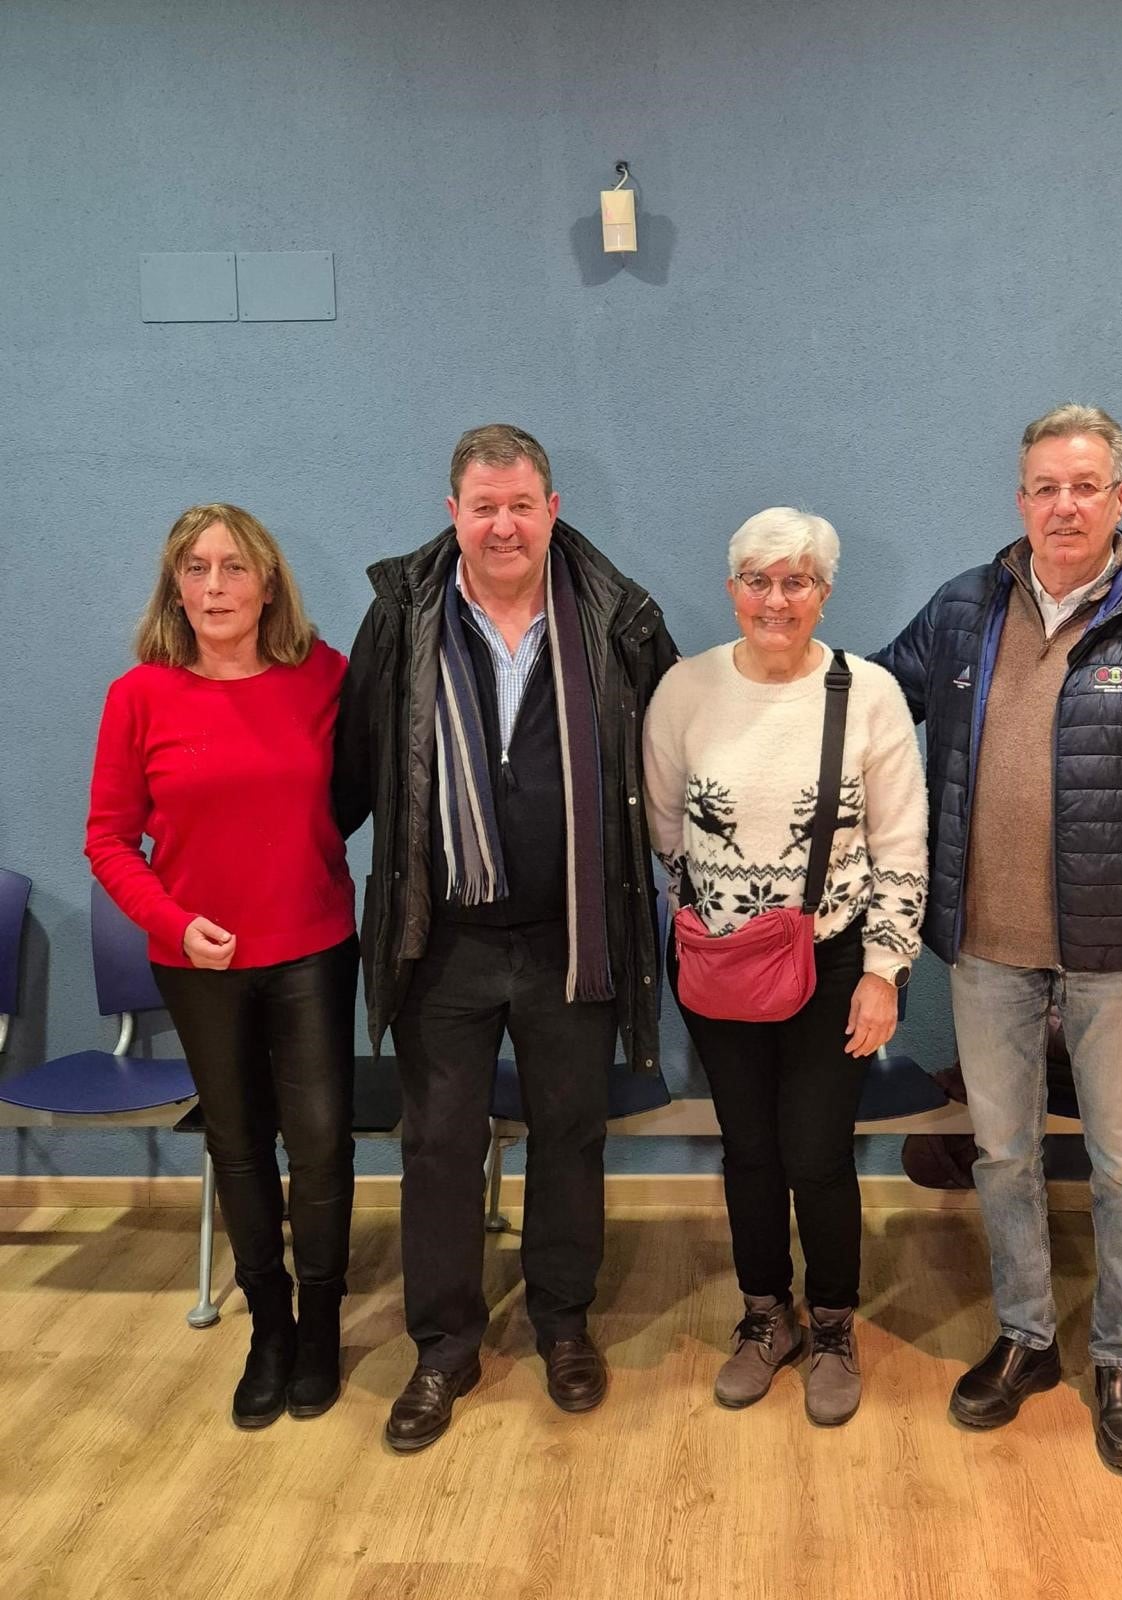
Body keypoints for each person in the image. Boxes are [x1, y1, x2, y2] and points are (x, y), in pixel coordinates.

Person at [874, 405, 1122, 1474]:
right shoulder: (965, 609)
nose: (1065, 505)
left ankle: (1120, 1357)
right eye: (1045, 486)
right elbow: (862, 698)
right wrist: (759, 676)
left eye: (1086, 485)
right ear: (1021, 499)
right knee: (1003, 1153)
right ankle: (1028, 1336)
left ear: (1121, 497)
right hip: (987, 949)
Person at [334, 424, 676, 1452]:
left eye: (521, 504)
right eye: (483, 506)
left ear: (553, 508)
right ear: (453, 514)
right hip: (440, 938)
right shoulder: (401, 615)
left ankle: (563, 1321)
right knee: (439, 1144)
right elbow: (354, 766)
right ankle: (443, 1346)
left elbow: (672, 751)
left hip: (574, 932)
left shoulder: (619, 617)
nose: (503, 524)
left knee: (571, 1133)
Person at [643, 507, 928, 1427]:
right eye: (758, 580)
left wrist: (884, 969)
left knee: (817, 1153)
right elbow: (662, 826)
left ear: (824, 593)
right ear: (732, 589)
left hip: (836, 964)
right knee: (750, 1153)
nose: (776, 599)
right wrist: (729, 912)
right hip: (720, 967)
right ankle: (766, 1317)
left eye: (796, 580)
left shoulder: (870, 693)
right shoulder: (684, 691)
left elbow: (902, 845)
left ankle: (835, 1324)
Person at [85, 503, 358, 1429]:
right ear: (174, 586)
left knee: (320, 1147)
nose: (213, 587)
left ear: (268, 583)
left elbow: (359, 791)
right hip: (198, 963)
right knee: (238, 1147)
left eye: (234, 568)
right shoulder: (139, 697)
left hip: (313, 950)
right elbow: (109, 839)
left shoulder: (323, 677)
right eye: (194, 569)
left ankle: (321, 1325)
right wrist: (169, 916)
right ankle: (269, 1328)